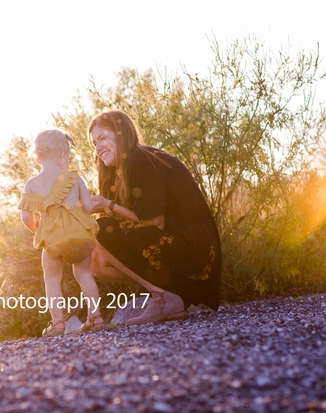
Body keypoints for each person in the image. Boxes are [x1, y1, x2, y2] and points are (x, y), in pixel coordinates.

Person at [88, 110, 222, 325]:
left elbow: (153, 223)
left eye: (102, 138)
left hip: (196, 253)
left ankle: (162, 296)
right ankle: (173, 294)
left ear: (121, 134)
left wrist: (108, 207)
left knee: (99, 229)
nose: (98, 148)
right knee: (97, 262)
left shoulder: (140, 158)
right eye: (94, 143)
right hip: (180, 249)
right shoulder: (121, 171)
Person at [18, 129, 105, 337]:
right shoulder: (75, 178)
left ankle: (58, 324)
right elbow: (89, 209)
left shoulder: (32, 184)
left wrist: (37, 229)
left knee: (52, 278)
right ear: (63, 154)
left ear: (37, 157)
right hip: (79, 234)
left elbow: (26, 216)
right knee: (84, 274)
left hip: (52, 238)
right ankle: (96, 317)